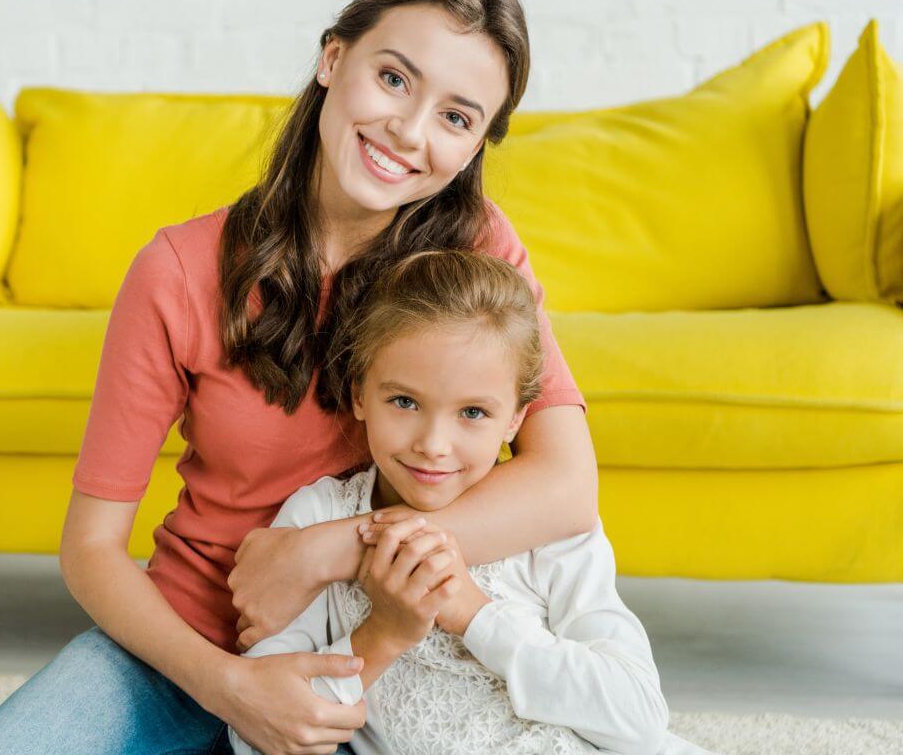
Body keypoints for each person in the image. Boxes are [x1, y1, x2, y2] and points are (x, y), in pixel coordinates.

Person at [0, 0, 599, 754]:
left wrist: (319, 554)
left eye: (457, 118)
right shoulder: (177, 271)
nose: (409, 131)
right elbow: (90, 550)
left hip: (395, 655)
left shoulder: (480, 253)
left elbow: (568, 485)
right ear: (334, 59)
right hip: (195, 645)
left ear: (474, 148)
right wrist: (229, 686)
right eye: (394, 78)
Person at [228, 251, 710, 755]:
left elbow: (640, 717)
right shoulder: (318, 517)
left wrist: (473, 614)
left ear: (515, 421)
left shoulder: (545, 528)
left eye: (473, 412)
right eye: (405, 402)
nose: (434, 444)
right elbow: (259, 731)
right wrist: (383, 635)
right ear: (358, 393)